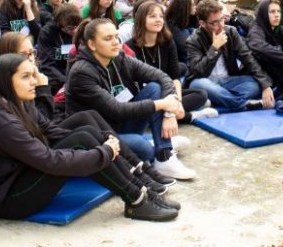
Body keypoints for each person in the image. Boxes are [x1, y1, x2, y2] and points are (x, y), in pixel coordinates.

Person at [0, 54, 180, 221]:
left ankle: (138, 187)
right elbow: (49, 161)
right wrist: (103, 152)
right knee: (83, 142)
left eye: (33, 74)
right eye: (26, 77)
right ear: (6, 81)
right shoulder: (2, 122)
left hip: (23, 173)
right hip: (8, 199)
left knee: (86, 131)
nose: (35, 80)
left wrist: (101, 138)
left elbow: (51, 131)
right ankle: (136, 200)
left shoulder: (17, 102)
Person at [66, 19, 197, 180]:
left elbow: (162, 76)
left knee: (154, 88)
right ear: (92, 45)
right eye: (108, 39)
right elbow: (117, 110)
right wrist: (162, 104)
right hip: (99, 137)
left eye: (116, 37)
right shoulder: (82, 73)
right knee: (144, 149)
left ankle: (164, 154)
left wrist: (169, 113)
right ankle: (155, 145)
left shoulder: (120, 58)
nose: (116, 42)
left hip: (120, 126)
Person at [125, 2, 217, 123]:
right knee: (154, 89)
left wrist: (177, 101)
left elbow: (174, 76)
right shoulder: (129, 46)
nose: (158, 20)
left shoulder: (167, 42)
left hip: (167, 91)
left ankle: (171, 112)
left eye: (161, 16)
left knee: (201, 94)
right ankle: (189, 116)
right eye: (152, 16)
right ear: (141, 19)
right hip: (145, 96)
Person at [185, 0, 274, 112]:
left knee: (255, 84)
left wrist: (265, 85)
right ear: (202, 24)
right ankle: (242, 104)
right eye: (214, 22)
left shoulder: (231, 32)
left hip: (228, 81)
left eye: (222, 19)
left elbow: (248, 58)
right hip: (205, 81)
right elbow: (198, 71)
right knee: (198, 85)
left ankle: (217, 100)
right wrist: (214, 48)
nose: (221, 25)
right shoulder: (193, 40)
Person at [37, 3, 81, 95]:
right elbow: (47, 64)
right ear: (59, 24)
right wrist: (65, 82)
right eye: (69, 28)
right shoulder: (47, 32)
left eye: (76, 27)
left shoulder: (81, 31)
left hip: (77, 75)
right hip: (57, 78)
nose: (74, 31)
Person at [165, 0, 197, 64]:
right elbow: (188, 48)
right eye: (192, 5)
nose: (195, 7)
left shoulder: (181, 22)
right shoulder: (174, 27)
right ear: (184, 7)